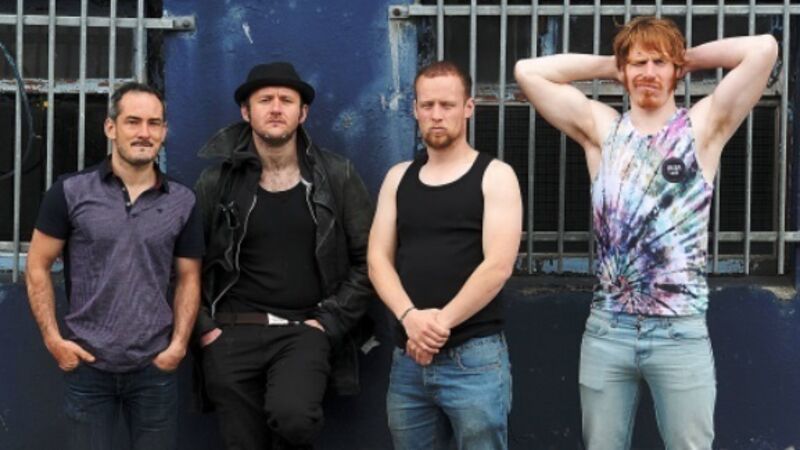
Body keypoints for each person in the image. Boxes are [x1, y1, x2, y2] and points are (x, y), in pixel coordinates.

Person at [515, 16, 778, 450]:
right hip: (608, 329)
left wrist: (683, 59)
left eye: (659, 63)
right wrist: (615, 65)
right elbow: (528, 71)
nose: (649, 73)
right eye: (639, 63)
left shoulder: (702, 128)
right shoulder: (603, 131)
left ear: (676, 70)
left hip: (680, 330)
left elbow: (764, 48)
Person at [193, 62, 374, 450]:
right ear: (246, 112)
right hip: (231, 333)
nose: (276, 108)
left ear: (302, 113)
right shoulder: (216, 182)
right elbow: (188, 264)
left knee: (295, 418)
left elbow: (369, 260)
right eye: (265, 100)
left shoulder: (336, 175)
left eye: (286, 100)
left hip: (304, 329)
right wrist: (206, 327)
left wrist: (329, 321)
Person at [25, 81, 204, 450]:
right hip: (87, 366)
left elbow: (189, 278)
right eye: (133, 121)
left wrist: (178, 345)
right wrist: (53, 340)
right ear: (111, 127)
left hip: (154, 367)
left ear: (164, 131)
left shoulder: (183, 201)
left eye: (154, 123)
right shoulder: (70, 192)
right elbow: (38, 265)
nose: (144, 133)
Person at [368, 60, 522, 450]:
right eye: (427, 105)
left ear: (468, 107)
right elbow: (377, 260)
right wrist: (409, 318)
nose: (436, 115)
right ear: (415, 109)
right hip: (408, 361)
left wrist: (434, 328)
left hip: (474, 359)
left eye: (447, 105)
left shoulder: (495, 175)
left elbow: (498, 266)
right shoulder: (398, 178)